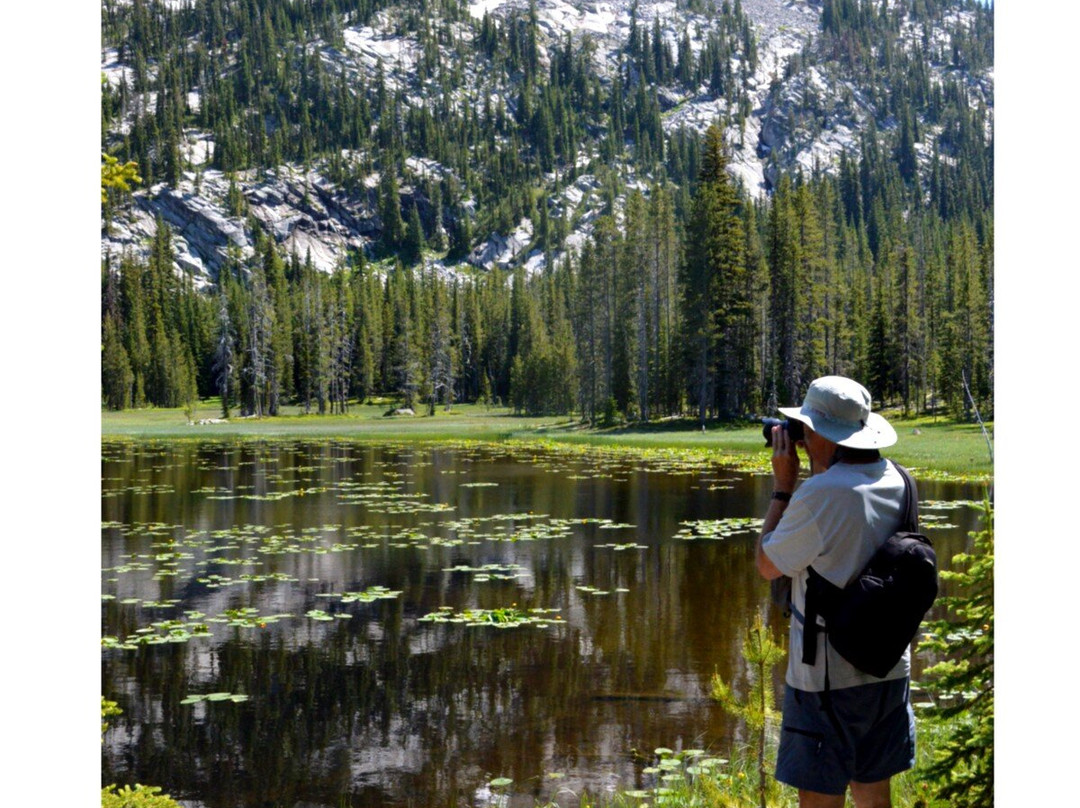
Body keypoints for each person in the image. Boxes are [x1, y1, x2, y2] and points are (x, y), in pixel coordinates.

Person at [755, 376, 915, 808]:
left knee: (820, 801)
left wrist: (782, 488)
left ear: (825, 435)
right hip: (888, 668)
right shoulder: (899, 480)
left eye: (806, 431)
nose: (801, 439)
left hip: (825, 678)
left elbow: (767, 565)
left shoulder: (817, 495)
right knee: (873, 796)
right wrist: (815, 471)